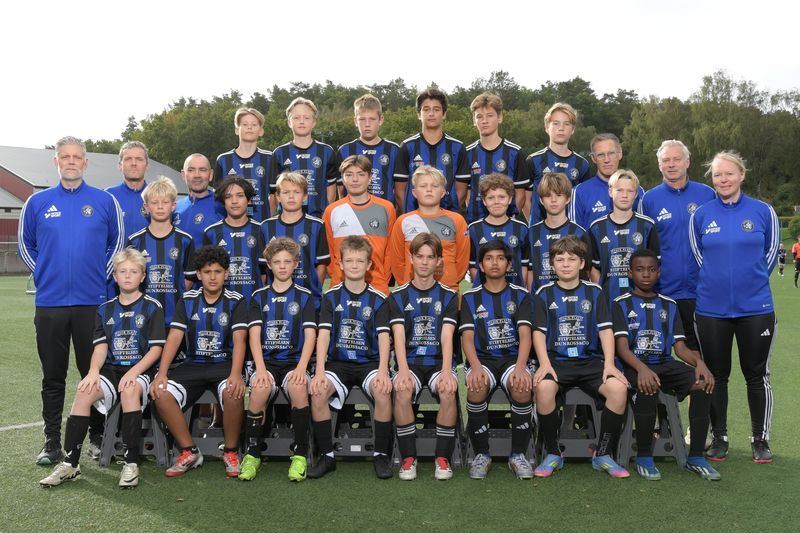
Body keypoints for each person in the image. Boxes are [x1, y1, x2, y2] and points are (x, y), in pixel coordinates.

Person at [19, 136, 124, 465]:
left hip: (92, 303)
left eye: (77, 157)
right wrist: (44, 274)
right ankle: (51, 441)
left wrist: (99, 278)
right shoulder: (36, 202)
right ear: (56, 162)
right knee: (52, 376)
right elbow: (25, 245)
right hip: (50, 304)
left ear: (85, 162)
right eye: (65, 157)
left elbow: (117, 244)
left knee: (93, 373)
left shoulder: (104, 201)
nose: (71, 162)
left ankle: (97, 436)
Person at [39, 249, 165, 488]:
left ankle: (131, 463)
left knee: (129, 390)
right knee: (84, 391)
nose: (127, 276)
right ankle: (70, 463)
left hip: (141, 369)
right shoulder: (104, 309)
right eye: (122, 271)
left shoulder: (152, 307)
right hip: (111, 369)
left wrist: (133, 372)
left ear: (142, 276)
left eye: (133, 271)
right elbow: (100, 347)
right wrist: (93, 371)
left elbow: (156, 350)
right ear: (114, 277)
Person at [689, 151, 779, 463]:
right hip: (711, 310)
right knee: (716, 375)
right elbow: (700, 258)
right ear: (711, 179)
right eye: (717, 175)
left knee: (757, 375)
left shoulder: (763, 211)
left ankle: (760, 439)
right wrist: (718, 286)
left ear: (742, 175)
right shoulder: (701, 215)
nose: (723, 179)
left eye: (729, 173)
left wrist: (750, 285)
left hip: (756, 308)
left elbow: (770, 255)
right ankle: (720, 437)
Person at [612, 249, 720, 481]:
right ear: (630, 273)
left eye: (651, 269)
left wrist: (699, 363)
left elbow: (679, 348)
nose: (646, 274)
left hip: (665, 363)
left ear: (658, 273)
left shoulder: (669, 305)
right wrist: (642, 369)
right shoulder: (621, 304)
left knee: (703, 383)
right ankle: (644, 456)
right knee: (647, 385)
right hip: (635, 365)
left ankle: (696, 456)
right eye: (640, 269)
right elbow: (622, 348)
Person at [531, 236, 630, 478]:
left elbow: (605, 330)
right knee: (543, 388)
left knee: (618, 389)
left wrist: (609, 364)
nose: (566, 264)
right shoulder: (543, 293)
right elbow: (538, 333)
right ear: (552, 264)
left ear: (582, 263)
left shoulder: (594, 292)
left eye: (571, 259)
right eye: (560, 259)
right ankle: (553, 453)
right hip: (557, 362)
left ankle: (603, 454)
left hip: (590, 362)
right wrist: (544, 363)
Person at [150, 245, 248, 477]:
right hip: (193, 364)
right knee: (160, 393)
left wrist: (236, 374)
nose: (212, 277)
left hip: (224, 364)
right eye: (207, 272)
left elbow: (240, 339)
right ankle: (189, 451)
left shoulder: (236, 300)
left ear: (226, 274)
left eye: (217, 272)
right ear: (198, 274)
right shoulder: (188, 299)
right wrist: (161, 373)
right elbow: (174, 337)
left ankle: (231, 452)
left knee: (233, 392)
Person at [308, 236, 394, 479]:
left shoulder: (379, 299)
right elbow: (323, 335)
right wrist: (320, 371)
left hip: (369, 363)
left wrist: (383, 371)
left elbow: (384, 339)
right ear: (340, 264)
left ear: (369, 265)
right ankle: (327, 456)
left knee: (383, 391)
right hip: (338, 363)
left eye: (360, 261)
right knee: (318, 391)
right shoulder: (330, 297)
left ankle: (381, 455)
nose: (354, 265)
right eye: (349, 260)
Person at [240, 238, 317, 482]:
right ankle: (252, 454)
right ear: (269, 265)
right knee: (260, 389)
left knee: (298, 386)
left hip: (295, 362)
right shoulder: (259, 297)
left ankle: (300, 454)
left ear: (296, 264)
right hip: (267, 363)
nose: (282, 266)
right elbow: (253, 336)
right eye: (277, 262)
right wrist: (261, 369)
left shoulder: (305, 296)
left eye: (287, 262)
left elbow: (310, 335)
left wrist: (302, 368)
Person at [460, 240, 534, 480]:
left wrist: (521, 368)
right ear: (480, 266)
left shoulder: (520, 295)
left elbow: (525, 336)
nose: (495, 263)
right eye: (489, 258)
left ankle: (518, 455)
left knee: (521, 387)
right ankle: (482, 455)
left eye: (501, 258)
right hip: (483, 360)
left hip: (513, 359)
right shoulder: (470, 298)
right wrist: (475, 367)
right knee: (477, 386)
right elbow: (467, 339)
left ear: (509, 265)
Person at [389, 233, 460, 480]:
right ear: (411, 258)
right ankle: (409, 458)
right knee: (402, 390)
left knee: (448, 390)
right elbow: (398, 337)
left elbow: (447, 336)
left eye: (430, 257)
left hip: (439, 362)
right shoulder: (398, 296)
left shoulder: (449, 295)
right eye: (419, 256)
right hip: (409, 363)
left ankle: (443, 458)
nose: (424, 262)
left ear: (439, 261)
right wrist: (403, 371)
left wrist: (448, 371)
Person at [641, 140, 714, 351]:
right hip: (663, 290)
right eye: (666, 160)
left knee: (702, 354)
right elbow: (643, 247)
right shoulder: (649, 199)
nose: (671, 164)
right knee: (657, 351)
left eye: (676, 159)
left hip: (701, 291)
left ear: (687, 162)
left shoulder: (707, 194)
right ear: (659, 165)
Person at [322, 155, 396, 296]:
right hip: (340, 286)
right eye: (349, 175)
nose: (355, 179)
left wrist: (381, 278)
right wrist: (338, 275)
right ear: (342, 179)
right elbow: (329, 253)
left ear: (370, 178)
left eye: (361, 174)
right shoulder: (332, 210)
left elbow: (390, 252)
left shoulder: (386, 208)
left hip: (377, 286)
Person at [127, 176, 195, 327]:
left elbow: (189, 278)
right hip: (143, 317)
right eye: (154, 202)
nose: (160, 207)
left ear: (173, 205)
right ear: (146, 206)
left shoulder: (185, 240)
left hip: (175, 317)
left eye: (165, 202)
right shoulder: (135, 241)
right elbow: (130, 278)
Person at [389, 165, 469, 292]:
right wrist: (408, 286)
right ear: (414, 193)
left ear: (443, 192)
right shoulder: (403, 221)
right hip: (411, 293)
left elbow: (462, 262)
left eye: (435, 186)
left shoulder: (457, 220)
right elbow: (396, 262)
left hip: (448, 292)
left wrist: (449, 283)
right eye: (423, 186)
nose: (429, 190)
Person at [393, 86, 469, 213]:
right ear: (419, 114)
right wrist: (413, 216)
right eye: (426, 109)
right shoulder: (407, 146)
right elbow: (400, 190)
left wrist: (445, 215)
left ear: (444, 114)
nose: (431, 114)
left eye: (436, 109)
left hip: (447, 218)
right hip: (415, 219)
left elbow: (461, 191)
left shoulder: (457, 147)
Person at [589, 169, 659, 305]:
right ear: (610, 192)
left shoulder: (647, 225)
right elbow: (594, 268)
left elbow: (655, 265)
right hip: (608, 301)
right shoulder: (597, 227)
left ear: (636, 194)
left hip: (641, 302)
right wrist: (602, 294)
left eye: (630, 191)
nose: (625, 195)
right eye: (619, 190)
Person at [261, 172, 329, 306]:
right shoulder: (266, 226)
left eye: (296, 192)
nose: (291, 197)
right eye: (286, 192)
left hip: (309, 300)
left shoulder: (317, 225)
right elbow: (263, 268)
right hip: (275, 301)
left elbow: (321, 265)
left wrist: (315, 292)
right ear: (278, 196)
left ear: (305, 196)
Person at [525, 103, 591, 226]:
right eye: (556, 123)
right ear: (546, 127)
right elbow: (525, 199)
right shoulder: (533, 160)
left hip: (570, 233)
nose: (561, 128)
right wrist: (538, 227)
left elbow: (584, 202)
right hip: (539, 233)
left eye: (566, 124)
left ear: (573, 129)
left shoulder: (582, 164)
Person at [464, 92, 527, 220]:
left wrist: (508, 220)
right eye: (479, 116)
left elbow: (520, 195)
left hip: (507, 224)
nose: (484, 121)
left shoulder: (515, 153)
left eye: (490, 115)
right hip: (476, 224)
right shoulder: (467, 154)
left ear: (500, 118)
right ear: (474, 121)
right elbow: (467, 193)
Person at [203, 177, 267, 302]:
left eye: (240, 196)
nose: (234, 201)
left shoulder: (261, 230)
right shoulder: (211, 233)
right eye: (228, 196)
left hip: (254, 304)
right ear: (223, 201)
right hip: (222, 304)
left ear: (249, 200)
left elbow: (265, 272)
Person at [272, 97, 337, 218]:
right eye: (296, 118)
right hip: (288, 219)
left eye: (306, 118)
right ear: (289, 122)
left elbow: (331, 187)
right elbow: (275, 192)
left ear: (314, 122)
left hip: (318, 218)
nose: (301, 121)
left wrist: (325, 215)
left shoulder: (326, 151)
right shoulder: (279, 153)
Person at [528, 172, 591, 292]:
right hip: (540, 300)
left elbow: (586, 272)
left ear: (568, 199)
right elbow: (530, 271)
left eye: (558, 195)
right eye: (548, 195)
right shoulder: (531, 233)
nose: (553, 200)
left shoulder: (579, 233)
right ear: (541, 200)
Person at [335, 94, 401, 205]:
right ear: (355, 121)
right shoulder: (344, 150)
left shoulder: (394, 149)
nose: (367, 124)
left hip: (385, 211)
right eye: (362, 119)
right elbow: (341, 190)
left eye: (372, 119)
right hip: (352, 212)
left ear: (381, 120)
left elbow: (399, 190)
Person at [570, 134, 644, 231]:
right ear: (593, 158)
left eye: (611, 153)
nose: (607, 160)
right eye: (601, 155)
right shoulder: (579, 192)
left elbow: (643, 229)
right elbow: (574, 235)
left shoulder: (636, 189)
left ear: (620, 154)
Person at [467, 173, 530, 286]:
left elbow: (524, 265)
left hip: (514, 292)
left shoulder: (521, 228)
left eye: (502, 197)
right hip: (484, 292)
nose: (496, 202)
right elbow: (472, 265)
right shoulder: (473, 229)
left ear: (510, 199)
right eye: (491, 198)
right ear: (484, 201)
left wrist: (520, 288)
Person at [214, 107, 274, 222]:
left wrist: (270, 221)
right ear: (237, 130)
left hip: (262, 223)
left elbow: (275, 195)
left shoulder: (269, 158)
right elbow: (218, 198)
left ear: (261, 131)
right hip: (232, 225)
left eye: (254, 124)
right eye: (245, 124)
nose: (249, 127)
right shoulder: (223, 160)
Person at [174, 153, 225, 248]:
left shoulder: (222, 206)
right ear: (183, 175)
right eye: (191, 170)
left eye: (202, 170)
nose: (197, 175)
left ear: (211, 175)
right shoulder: (174, 208)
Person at [106, 141, 150, 240]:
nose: (134, 163)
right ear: (120, 165)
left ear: (147, 165)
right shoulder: (108, 196)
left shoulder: (158, 196)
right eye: (128, 159)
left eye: (139, 159)